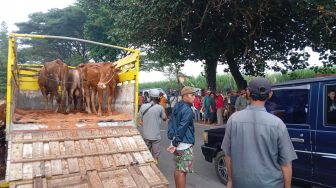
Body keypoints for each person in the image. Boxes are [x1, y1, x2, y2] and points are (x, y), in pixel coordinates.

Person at [222, 77, 297, 188]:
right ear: (270, 94)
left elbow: (228, 156)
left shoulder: (233, 119)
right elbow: (286, 164)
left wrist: (230, 180)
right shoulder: (277, 124)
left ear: (248, 92)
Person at [167, 86, 195, 188]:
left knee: (178, 169)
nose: (194, 97)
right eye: (192, 95)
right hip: (184, 144)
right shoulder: (187, 109)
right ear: (185, 96)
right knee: (182, 172)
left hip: (176, 142)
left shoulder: (177, 106)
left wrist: (172, 139)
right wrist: (175, 143)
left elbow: (171, 123)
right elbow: (182, 128)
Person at [138, 97, 167, 163]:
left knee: (146, 152)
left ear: (150, 98)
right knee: (155, 155)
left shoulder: (143, 106)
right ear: (158, 99)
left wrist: (144, 124)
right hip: (156, 136)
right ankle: (155, 164)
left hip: (146, 134)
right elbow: (164, 118)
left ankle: (147, 164)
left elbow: (139, 118)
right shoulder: (160, 107)